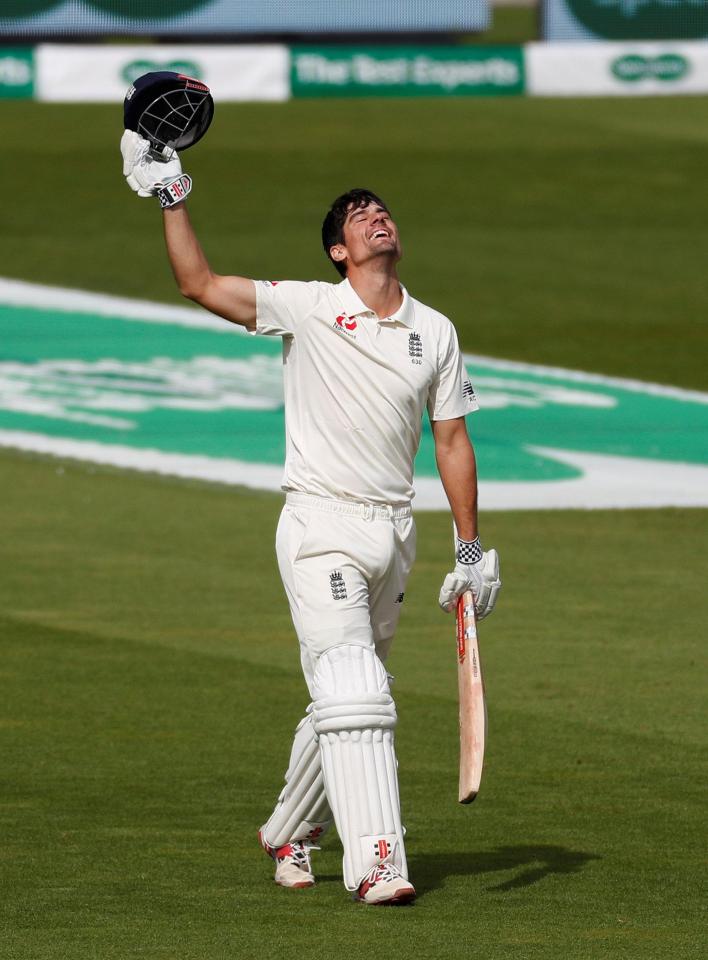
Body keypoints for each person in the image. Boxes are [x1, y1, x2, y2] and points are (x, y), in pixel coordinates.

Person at [120, 131, 502, 906]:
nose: (377, 218)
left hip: (393, 532)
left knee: (348, 696)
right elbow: (197, 282)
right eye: (360, 216)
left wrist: (469, 550)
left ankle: (288, 828)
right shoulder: (309, 307)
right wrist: (171, 195)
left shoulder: (437, 331)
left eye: (383, 210)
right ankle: (378, 863)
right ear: (338, 250)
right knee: (355, 689)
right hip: (319, 522)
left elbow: (452, 439)